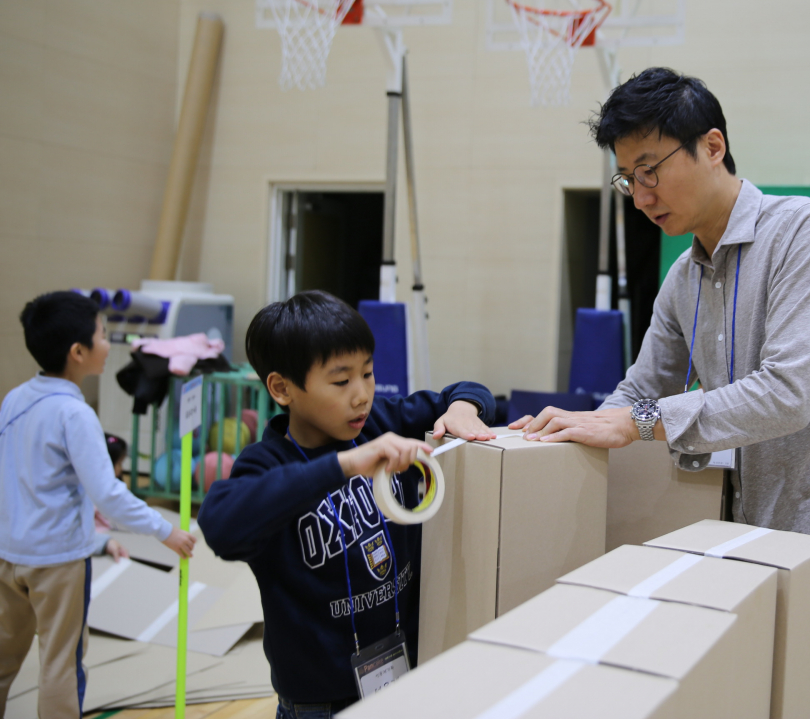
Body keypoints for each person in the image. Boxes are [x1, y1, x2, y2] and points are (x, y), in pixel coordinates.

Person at [511, 68, 810, 719]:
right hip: (758, 549)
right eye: (627, 180)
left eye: (651, 170)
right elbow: (642, 387)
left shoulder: (808, 232)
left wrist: (638, 422)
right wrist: (570, 428)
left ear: (712, 146)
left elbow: (786, 394)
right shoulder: (684, 277)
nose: (641, 196)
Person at [198, 291, 496, 719]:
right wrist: (343, 465)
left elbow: (467, 390)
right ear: (282, 388)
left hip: (405, 677)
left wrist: (465, 409)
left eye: (368, 374)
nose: (361, 395)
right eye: (341, 381)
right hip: (320, 704)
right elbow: (222, 525)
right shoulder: (268, 464)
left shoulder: (379, 423)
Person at [0, 291, 197, 718]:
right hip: (57, 562)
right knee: (60, 664)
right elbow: (107, 492)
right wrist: (165, 531)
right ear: (78, 352)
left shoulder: (14, 399)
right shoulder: (75, 414)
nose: (109, 344)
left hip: (8, 555)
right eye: (103, 336)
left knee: (3, 658)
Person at [92, 434, 132, 560]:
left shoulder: (114, 486)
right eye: (119, 464)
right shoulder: (92, 493)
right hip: (101, 537)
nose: (121, 469)